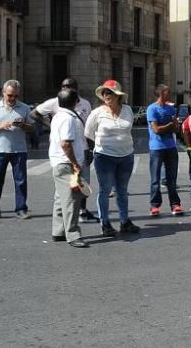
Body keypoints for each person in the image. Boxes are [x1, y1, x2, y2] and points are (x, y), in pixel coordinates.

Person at [31, 77, 98, 223]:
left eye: (70, 86)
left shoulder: (85, 103)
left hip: (83, 147)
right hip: (64, 152)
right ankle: (69, 224)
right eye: (64, 86)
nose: (66, 89)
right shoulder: (55, 102)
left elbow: (88, 127)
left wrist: (91, 148)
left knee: (83, 182)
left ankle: (82, 211)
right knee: (65, 187)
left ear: (76, 88)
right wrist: (49, 125)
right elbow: (34, 114)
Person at [85, 80, 138, 236]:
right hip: (104, 156)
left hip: (126, 155)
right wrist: (89, 153)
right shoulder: (97, 113)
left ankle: (124, 221)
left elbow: (128, 130)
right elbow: (88, 134)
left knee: (122, 191)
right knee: (105, 190)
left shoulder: (127, 110)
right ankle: (105, 223)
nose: (107, 95)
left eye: (110, 92)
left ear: (118, 96)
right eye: (105, 93)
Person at [0, 79, 34, 220]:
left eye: (15, 96)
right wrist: (0, 126)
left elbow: (33, 128)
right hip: (0, 150)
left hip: (19, 150)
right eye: (10, 95)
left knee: (21, 181)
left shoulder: (24, 108)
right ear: (3, 93)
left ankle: (21, 209)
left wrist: (23, 125)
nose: (12, 99)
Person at [49, 88, 88, 248]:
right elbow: (66, 143)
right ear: (75, 102)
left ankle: (58, 231)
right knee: (72, 198)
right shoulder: (68, 119)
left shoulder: (58, 116)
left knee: (60, 197)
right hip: (67, 163)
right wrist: (75, 163)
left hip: (58, 162)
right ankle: (73, 234)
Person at [147, 84, 184, 216]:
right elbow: (156, 130)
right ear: (161, 93)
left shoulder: (171, 109)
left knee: (172, 179)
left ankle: (175, 204)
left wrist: (175, 126)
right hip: (157, 148)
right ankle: (154, 205)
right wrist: (170, 125)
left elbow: (176, 129)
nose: (170, 94)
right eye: (167, 92)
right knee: (155, 179)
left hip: (171, 146)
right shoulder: (152, 109)